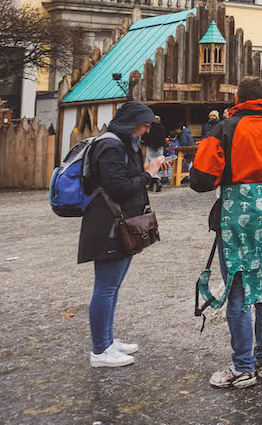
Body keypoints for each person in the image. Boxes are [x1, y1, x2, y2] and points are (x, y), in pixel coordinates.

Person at [191, 76, 262, 388]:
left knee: (238, 288)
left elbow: (200, 179)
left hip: (236, 216)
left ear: (239, 99)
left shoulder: (224, 129)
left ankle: (242, 367)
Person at [79, 101, 168, 368]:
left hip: (119, 222)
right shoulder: (111, 145)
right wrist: (147, 173)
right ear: (131, 123)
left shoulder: (121, 142)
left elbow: (126, 179)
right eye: (144, 124)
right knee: (105, 288)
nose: (146, 129)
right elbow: (117, 188)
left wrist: (148, 170)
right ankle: (99, 350)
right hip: (108, 224)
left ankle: (107, 340)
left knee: (112, 286)